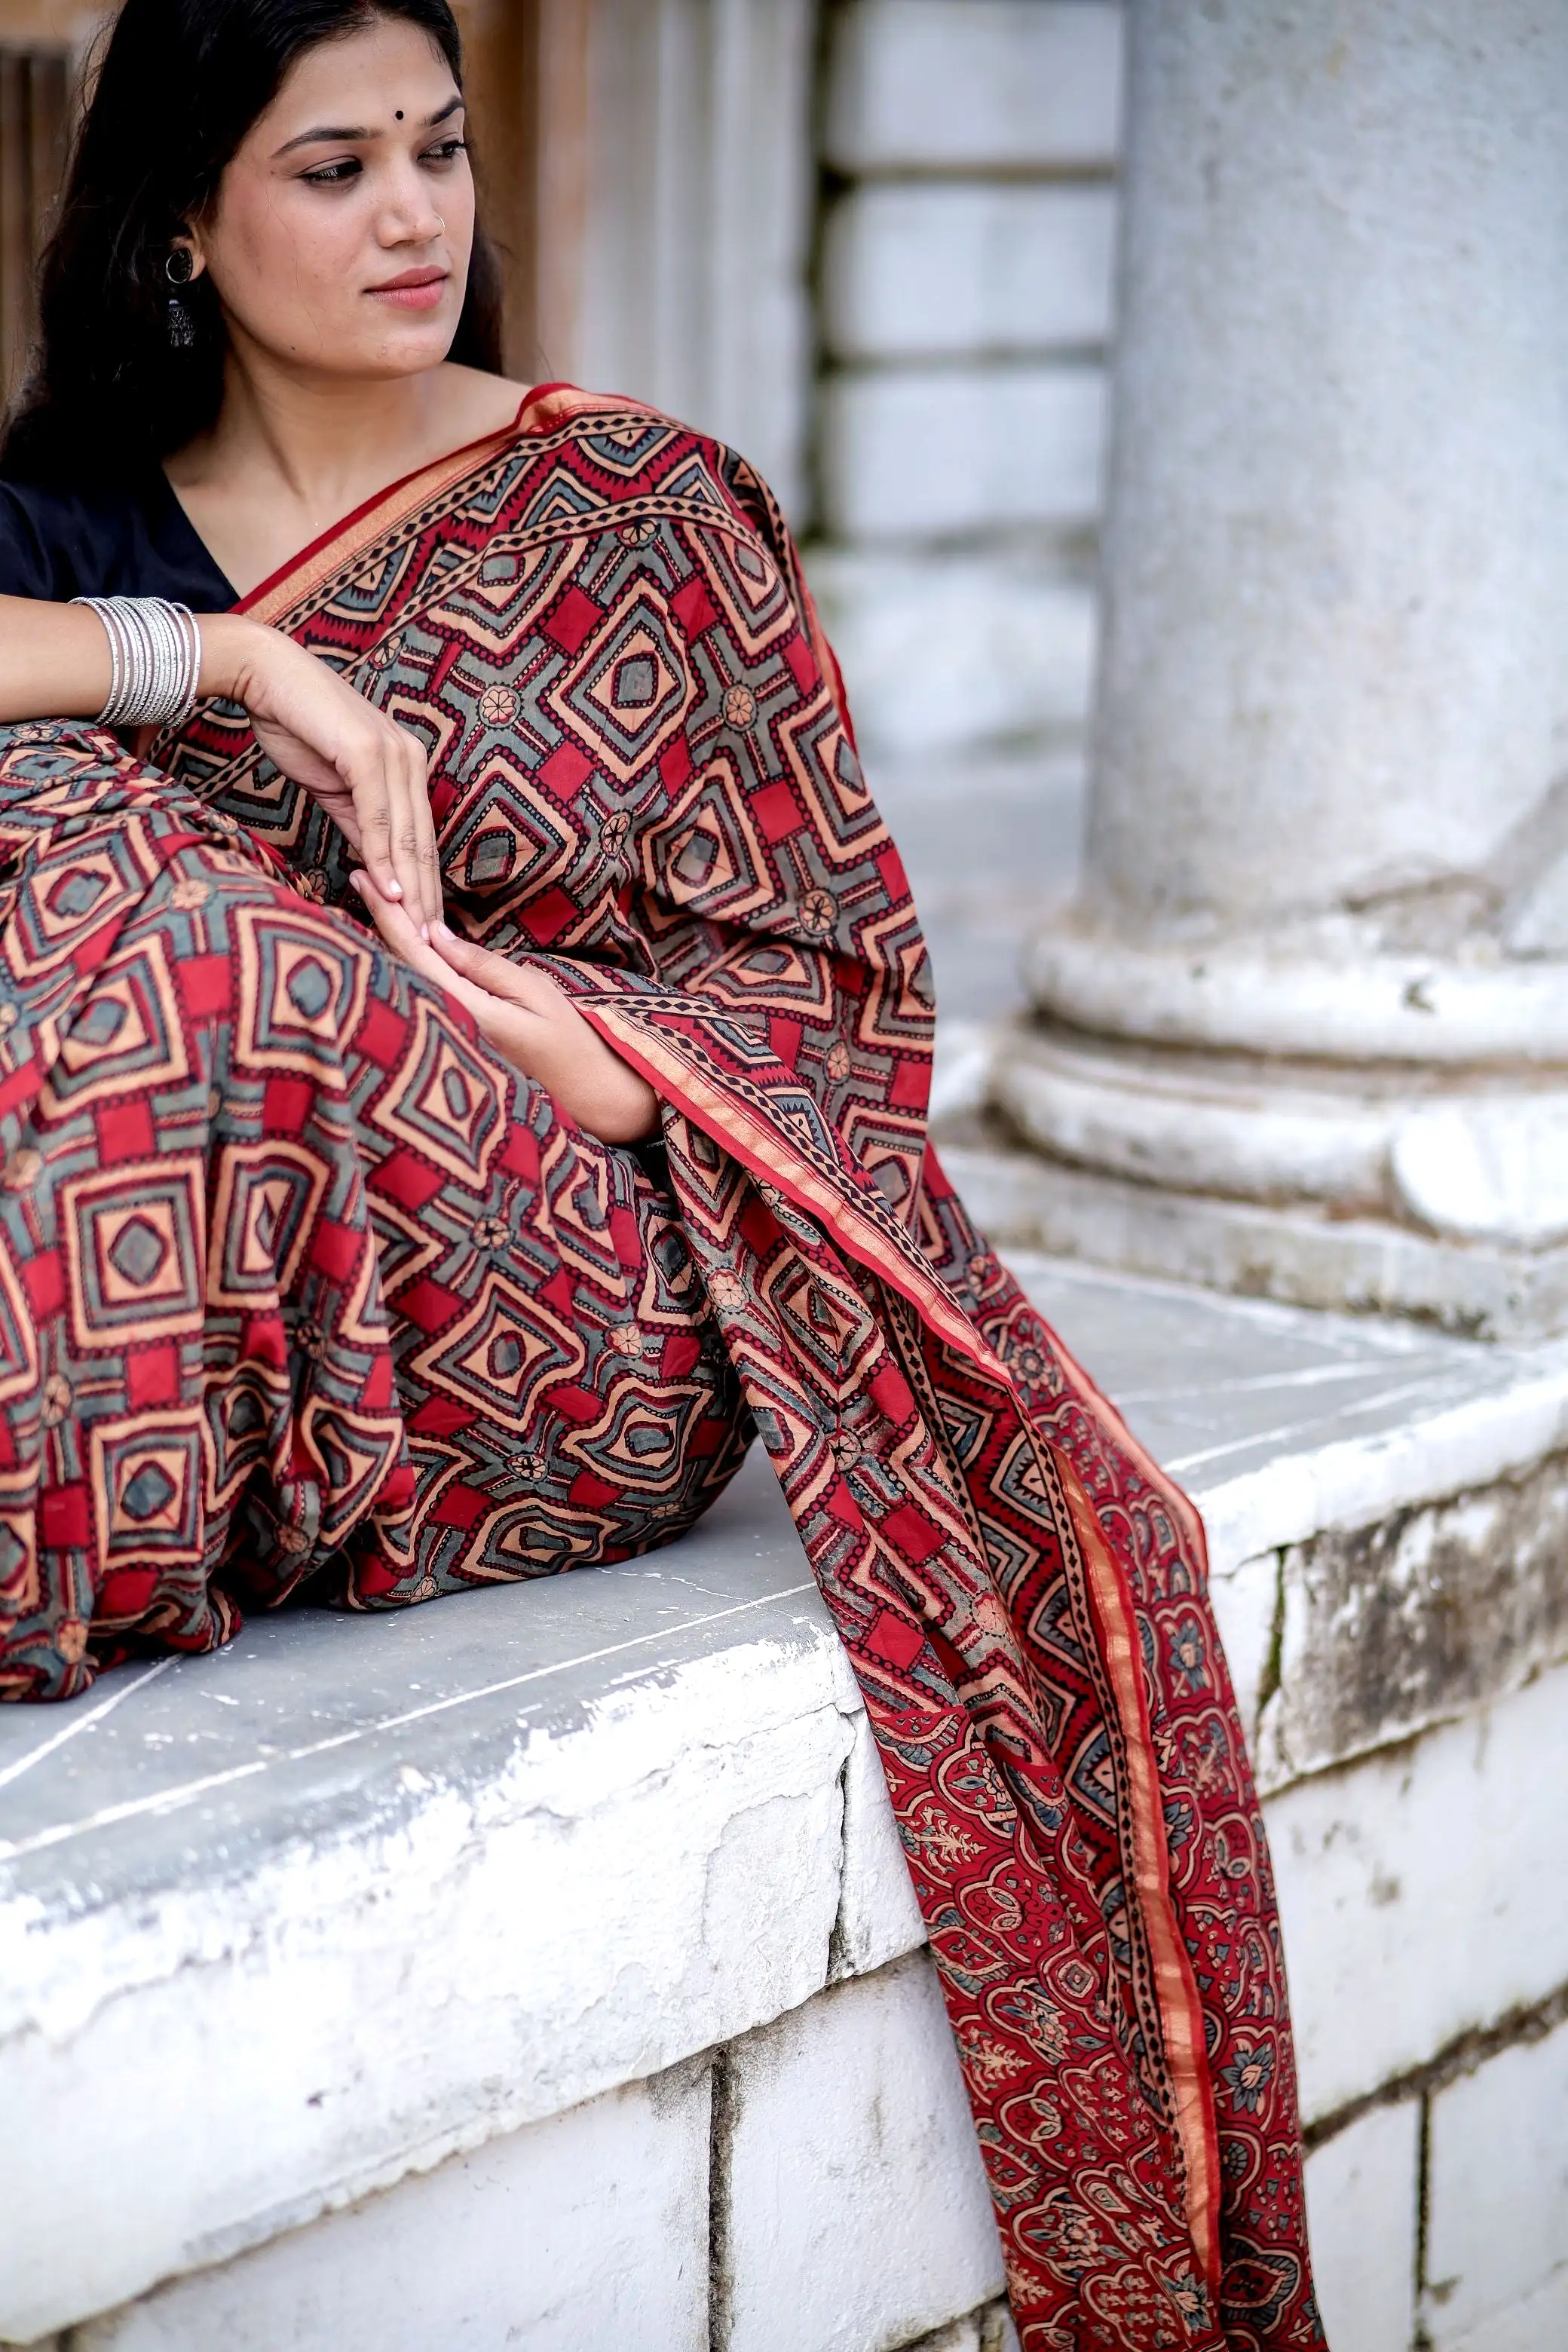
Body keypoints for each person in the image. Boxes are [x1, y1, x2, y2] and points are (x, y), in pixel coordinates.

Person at [0, 4, 1323, 2344]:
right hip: (203, 1263)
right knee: (73, 823)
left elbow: (854, 1001)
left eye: (439, 147)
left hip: (590, 1305)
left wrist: (619, 1070)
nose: (418, 215)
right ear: (184, 224)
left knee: (213, 957)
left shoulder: (636, 509)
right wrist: (215, 662)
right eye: (333, 170)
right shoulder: (69, 528)